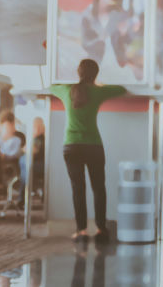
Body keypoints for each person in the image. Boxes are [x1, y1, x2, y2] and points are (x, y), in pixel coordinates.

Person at [49, 59, 127, 241]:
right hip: (93, 145)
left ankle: (81, 231)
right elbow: (121, 89)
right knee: (99, 188)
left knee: (78, 189)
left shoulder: (67, 91)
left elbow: (52, 86)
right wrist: (99, 85)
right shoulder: (98, 92)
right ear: (96, 74)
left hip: (71, 146)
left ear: (78, 72)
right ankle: (101, 230)